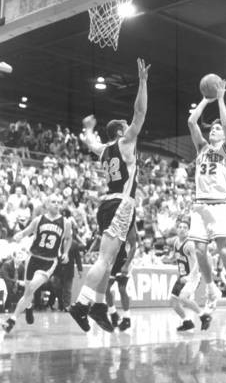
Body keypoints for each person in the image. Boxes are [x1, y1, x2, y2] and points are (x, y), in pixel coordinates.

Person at [69, 58, 150, 332]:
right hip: (121, 205)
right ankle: (81, 305)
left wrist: (89, 127)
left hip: (106, 205)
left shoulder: (103, 149)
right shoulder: (125, 143)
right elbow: (139, 112)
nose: (131, 128)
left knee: (111, 259)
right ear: (120, 131)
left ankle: (100, 306)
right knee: (105, 260)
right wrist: (142, 82)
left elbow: (89, 141)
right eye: (125, 126)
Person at [187, 79, 226, 315]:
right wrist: (205, 99)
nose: (215, 130)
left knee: (223, 250)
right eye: (212, 129)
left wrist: (220, 98)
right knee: (199, 251)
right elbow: (191, 121)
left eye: (217, 129)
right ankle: (211, 291)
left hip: (221, 204)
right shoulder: (201, 148)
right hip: (200, 203)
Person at [2, 194, 72, 333]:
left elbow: (68, 239)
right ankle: (28, 307)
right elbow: (26, 232)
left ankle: (12, 320)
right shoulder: (38, 220)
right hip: (33, 258)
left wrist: (66, 253)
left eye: (59, 202)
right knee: (28, 291)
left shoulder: (65, 223)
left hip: (49, 262)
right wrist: (19, 235)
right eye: (53, 201)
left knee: (31, 288)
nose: (56, 204)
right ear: (47, 204)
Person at [170, 219, 210, 331]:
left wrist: (189, 277)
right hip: (182, 276)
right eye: (180, 227)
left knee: (183, 298)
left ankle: (204, 316)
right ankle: (187, 322)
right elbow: (179, 258)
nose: (182, 229)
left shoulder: (190, 244)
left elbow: (198, 262)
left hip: (192, 277)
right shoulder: (176, 242)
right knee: (173, 302)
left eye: (185, 227)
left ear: (188, 231)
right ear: (177, 229)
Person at [105, 225, 137, 331]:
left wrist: (126, 265)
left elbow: (134, 246)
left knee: (122, 289)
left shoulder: (129, 225)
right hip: (112, 260)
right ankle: (113, 313)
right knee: (106, 288)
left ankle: (127, 318)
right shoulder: (110, 222)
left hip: (124, 259)